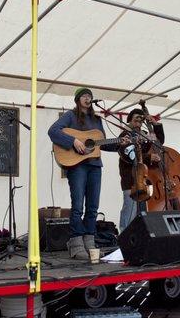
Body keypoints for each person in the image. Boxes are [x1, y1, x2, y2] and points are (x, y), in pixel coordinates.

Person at [48, 88, 128, 260]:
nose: (88, 98)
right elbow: (53, 131)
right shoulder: (70, 116)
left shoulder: (97, 120)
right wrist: (73, 141)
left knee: (93, 207)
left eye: (90, 96)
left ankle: (89, 242)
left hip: (95, 166)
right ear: (78, 99)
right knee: (77, 206)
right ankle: (76, 244)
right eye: (84, 96)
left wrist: (120, 143)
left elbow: (102, 144)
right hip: (77, 166)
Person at [118, 108, 164, 232]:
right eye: (136, 117)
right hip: (131, 179)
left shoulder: (144, 134)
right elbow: (128, 156)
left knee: (142, 211)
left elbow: (159, 143)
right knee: (130, 210)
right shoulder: (125, 135)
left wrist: (155, 124)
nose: (139, 120)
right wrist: (149, 157)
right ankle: (123, 235)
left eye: (141, 118)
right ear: (130, 120)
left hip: (144, 179)